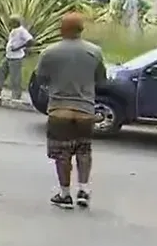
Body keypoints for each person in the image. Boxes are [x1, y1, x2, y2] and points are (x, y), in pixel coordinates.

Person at [35, 13, 106, 209]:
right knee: (84, 151)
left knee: (62, 154)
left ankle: (65, 194)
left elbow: (40, 79)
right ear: (81, 29)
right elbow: (101, 80)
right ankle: (83, 189)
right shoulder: (95, 52)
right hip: (85, 110)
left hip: (59, 110)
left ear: (62, 29)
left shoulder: (49, 52)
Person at [0, 15, 34, 100]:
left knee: (15, 77)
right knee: (1, 72)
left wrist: (18, 48)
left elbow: (31, 41)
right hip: (9, 56)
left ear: (16, 22)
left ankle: (16, 95)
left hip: (16, 57)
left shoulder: (22, 31)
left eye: (11, 22)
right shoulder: (14, 31)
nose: (9, 24)